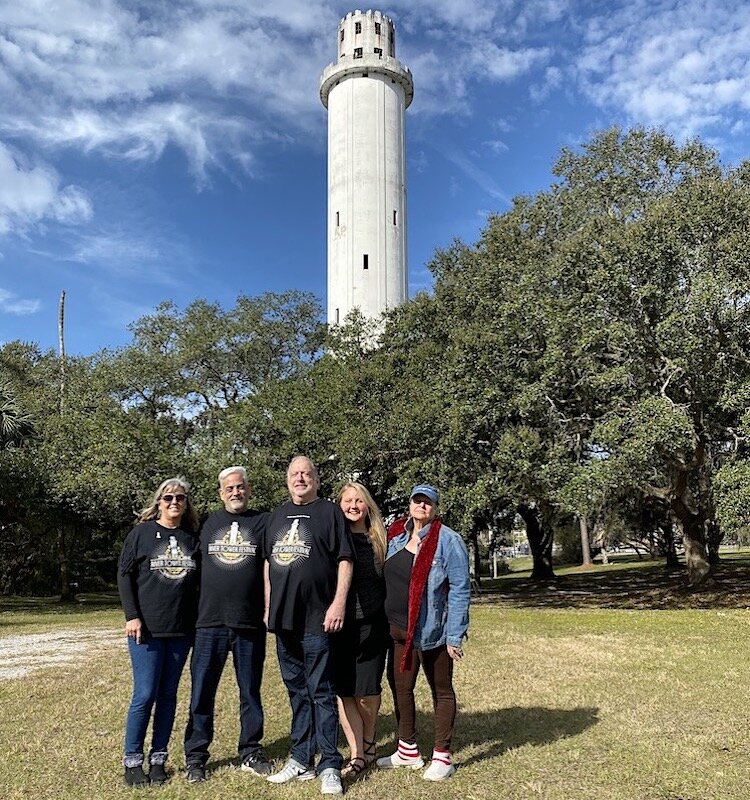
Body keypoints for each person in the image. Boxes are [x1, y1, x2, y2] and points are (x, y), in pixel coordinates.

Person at [264, 456, 354, 796]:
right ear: (287, 480)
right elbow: (267, 563)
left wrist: (338, 603)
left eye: (306, 473)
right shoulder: (276, 516)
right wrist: (268, 605)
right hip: (284, 620)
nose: (300, 478)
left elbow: (345, 559)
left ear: (317, 480)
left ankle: (329, 764)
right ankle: (300, 758)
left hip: (318, 617)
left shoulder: (330, 513)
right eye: (294, 474)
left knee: (321, 693)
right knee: (297, 692)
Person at [376, 483, 470, 781]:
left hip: (433, 633)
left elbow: (459, 588)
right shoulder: (396, 536)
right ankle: (408, 750)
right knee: (401, 688)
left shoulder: (448, 540)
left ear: (435, 507)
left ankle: (443, 756)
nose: (422, 506)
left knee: (440, 690)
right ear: (410, 504)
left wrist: (454, 635)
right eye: (417, 500)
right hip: (398, 632)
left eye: (428, 502)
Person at [183, 466, 271, 782]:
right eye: (230, 488)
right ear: (221, 493)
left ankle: (251, 750)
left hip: (249, 623)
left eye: (241, 487)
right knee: (202, 693)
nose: (236, 492)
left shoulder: (263, 521)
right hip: (209, 624)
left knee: (250, 692)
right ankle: (196, 757)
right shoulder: (205, 523)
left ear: (249, 489)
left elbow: (271, 565)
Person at [117, 477, 199, 788]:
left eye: (180, 497)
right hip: (146, 630)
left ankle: (158, 759)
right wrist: (132, 616)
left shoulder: (193, 538)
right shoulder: (141, 534)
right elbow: (124, 574)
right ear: (159, 502)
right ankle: (132, 760)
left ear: (186, 503)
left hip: (181, 630)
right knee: (145, 694)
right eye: (168, 498)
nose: (174, 502)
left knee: (168, 696)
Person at [332, 481, 388, 779]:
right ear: (339, 505)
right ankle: (357, 754)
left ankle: (369, 741)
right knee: (345, 692)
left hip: (373, 625)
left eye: (359, 501)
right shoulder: (333, 539)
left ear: (367, 506)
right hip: (340, 626)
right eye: (347, 501)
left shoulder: (380, 539)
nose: (353, 506)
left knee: (367, 692)